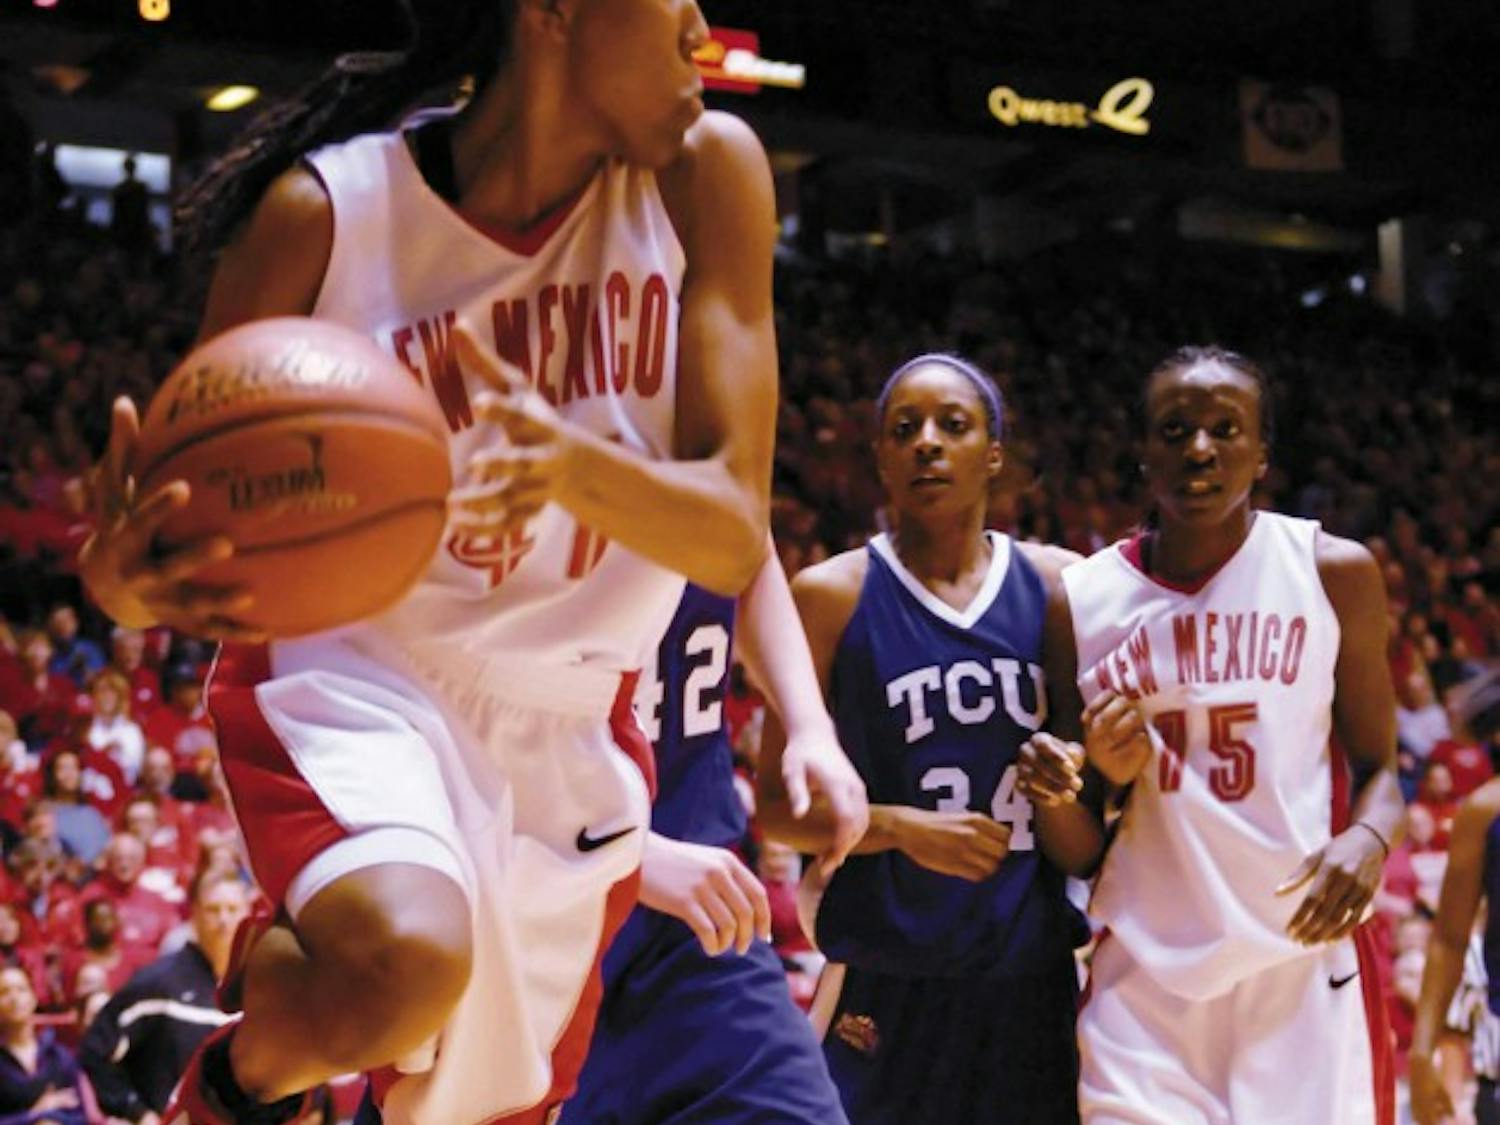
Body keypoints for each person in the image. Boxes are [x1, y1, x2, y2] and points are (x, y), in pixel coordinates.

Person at [81, 1, 860, 1121]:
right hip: (360, 674)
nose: (699, 19)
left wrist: (569, 466)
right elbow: (164, 556)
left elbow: (733, 533)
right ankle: (237, 1081)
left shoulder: (707, 175)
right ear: (550, 11)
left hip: (576, 726)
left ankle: (304, 1015)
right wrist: (123, 578)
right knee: (400, 965)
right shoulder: (327, 217)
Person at [1024, 345, 1404, 1124]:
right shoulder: (1083, 601)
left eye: (1226, 429)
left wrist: (1367, 838)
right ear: (1142, 454)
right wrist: (1081, 773)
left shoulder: (1332, 571)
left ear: (1262, 454)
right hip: (1147, 986)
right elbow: (1075, 845)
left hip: (1300, 972)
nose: (1200, 448)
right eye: (1175, 429)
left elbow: (1383, 768)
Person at [759, 354, 1103, 1124]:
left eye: (953, 425)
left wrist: (1062, 783)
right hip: (886, 973)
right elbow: (778, 811)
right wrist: (898, 828)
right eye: (903, 428)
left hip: (1025, 977)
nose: (926, 443)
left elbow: (1085, 843)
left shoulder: (1060, 588)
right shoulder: (828, 596)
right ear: (880, 457)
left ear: (994, 454)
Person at [561, 568, 861, 1125]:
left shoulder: (723, 485)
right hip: (534, 905)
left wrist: (809, 722)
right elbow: (449, 701)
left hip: (699, 919)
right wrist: (630, 853)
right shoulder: (512, 500)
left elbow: (750, 557)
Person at [80, 875, 252, 1125]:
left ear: (248, 915)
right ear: (194, 915)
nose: (224, 920)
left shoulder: (257, 989)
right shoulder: (158, 983)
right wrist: (136, 1111)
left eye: (233, 909)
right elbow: (94, 1051)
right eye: (213, 910)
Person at [0, 965, 87, 1125]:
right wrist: (35, 1114)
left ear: (33, 998)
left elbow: (81, 1115)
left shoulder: (58, 1055)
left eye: (21, 989)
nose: (14, 997)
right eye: (4, 992)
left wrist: (52, 1120)